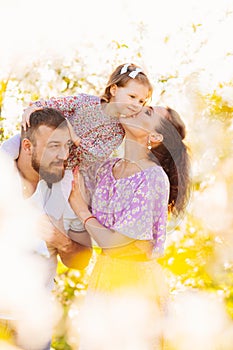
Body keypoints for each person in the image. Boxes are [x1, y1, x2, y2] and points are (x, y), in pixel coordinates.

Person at [68, 105, 191, 349]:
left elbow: (119, 245)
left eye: (147, 113)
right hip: (103, 278)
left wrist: (82, 211)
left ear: (154, 137)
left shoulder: (153, 177)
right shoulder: (106, 169)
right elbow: (71, 175)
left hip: (136, 288)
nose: (136, 108)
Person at [0, 108, 92, 350]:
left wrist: (59, 240)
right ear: (27, 146)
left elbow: (82, 260)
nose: (63, 155)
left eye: (66, 146)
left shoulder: (66, 187)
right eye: (54, 146)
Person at [6, 63, 153, 171]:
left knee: (55, 204)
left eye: (141, 101)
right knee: (6, 151)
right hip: (41, 143)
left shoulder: (118, 132)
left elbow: (95, 156)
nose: (136, 104)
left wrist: (74, 136)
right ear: (114, 90)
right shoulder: (86, 102)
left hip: (66, 167)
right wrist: (33, 107)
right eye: (132, 96)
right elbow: (54, 104)